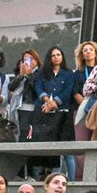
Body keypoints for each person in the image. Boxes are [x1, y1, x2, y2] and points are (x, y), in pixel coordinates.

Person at [30, 47, 79, 179]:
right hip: (44, 113)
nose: (56, 57)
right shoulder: (42, 73)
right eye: (53, 55)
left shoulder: (69, 74)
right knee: (51, 149)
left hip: (63, 113)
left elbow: (68, 91)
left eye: (58, 54)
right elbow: (38, 87)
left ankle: (72, 180)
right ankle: (53, 179)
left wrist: (55, 104)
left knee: (67, 150)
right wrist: (47, 100)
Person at [70, 41, 97, 180]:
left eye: (91, 49)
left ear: (96, 52)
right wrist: (86, 106)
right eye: (85, 50)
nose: (88, 52)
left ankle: (95, 175)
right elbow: (75, 92)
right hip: (82, 109)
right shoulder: (78, 73)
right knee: (81, 144)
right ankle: (81, 177)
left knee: (96, 142)